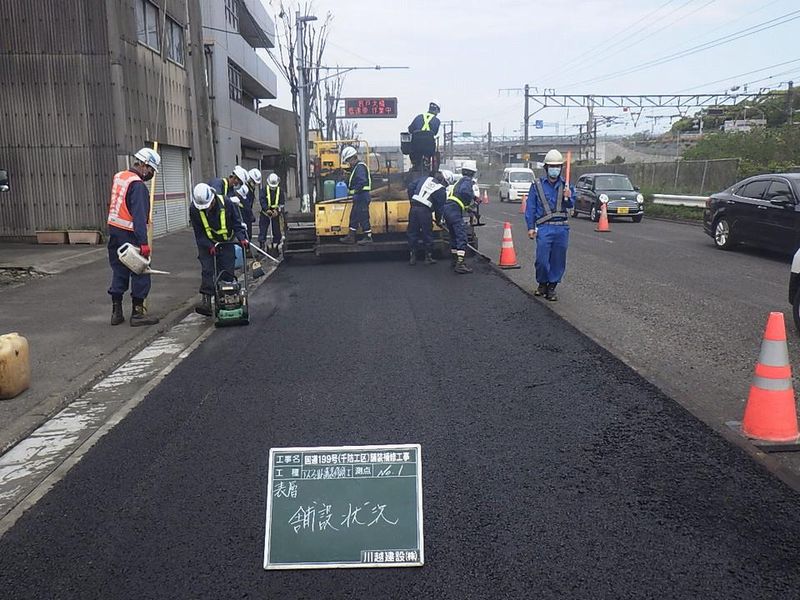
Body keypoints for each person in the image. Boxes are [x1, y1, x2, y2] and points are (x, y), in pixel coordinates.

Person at [106, 147, 161, 327]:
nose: (151, 174)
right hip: (130, 234)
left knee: (119, 270)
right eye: (151, 170)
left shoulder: (120, 177)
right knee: (141, 270)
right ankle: (137, 313)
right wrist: (143, 243)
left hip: (114, 231)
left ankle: (116, 312)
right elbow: (138, 216)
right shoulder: (138, 186)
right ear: (145, 165)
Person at [189, 183, 248, 317]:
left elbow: (236, 223)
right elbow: (198, 233)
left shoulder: (226, 203)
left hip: (226, 241)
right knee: (207, 270)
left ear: (213, 198)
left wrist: (241, 238)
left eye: (208, 205)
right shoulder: (194, 209)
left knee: (227, 271)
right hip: (207, 244)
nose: (207, 209)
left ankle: (227, 301)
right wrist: (209, 245)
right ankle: (207, 302)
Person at [524, 149, 575, 302]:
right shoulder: (537, 185)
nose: (555, 169)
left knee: (558, 259)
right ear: (546, 168)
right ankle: (542, 282)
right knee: (542, 259)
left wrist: (568, 198)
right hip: (544, 227)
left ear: (561, 168)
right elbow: (530, 207)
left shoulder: (566, 186)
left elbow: (571, 206)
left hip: (561, 228)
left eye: (558, 166)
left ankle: (552, 286)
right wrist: (530, 227)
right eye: (552, 166)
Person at [442, 161, 479, 274]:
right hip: (454, 210)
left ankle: (454, 260)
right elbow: (464, 193)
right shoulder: (467, 181)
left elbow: (459, 197)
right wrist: (473, 198)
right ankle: (460, 264)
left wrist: (468, 207)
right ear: (472, 173)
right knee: (461, 236)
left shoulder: (459, 181)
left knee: (453, 236)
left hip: (447, 209)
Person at [406, 171, 446, 265]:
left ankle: (412, 256)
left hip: (414, 208)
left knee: (412, 232)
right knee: (427, 233)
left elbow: (411, 186)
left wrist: (412, 199)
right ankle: (428, 257)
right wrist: (438, 220)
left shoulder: (424, 179)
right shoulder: (440, 189)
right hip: (425, 211)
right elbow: (439, 207)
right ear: (442, 180)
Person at [338, 146, 373, 245]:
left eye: (349, 160)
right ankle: (351, 236)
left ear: (353, 157)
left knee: (363, 216)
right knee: (354, 216)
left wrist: (355, 191)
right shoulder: (357, 168)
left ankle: (368, 237)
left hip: (362, 196)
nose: (349, 163)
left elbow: (362, 181)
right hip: (359, 196)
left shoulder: (360, 167)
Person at [407, 101, 441, 170]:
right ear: (437, 111)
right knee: (432, 152)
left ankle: (415, 164)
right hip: (429, 148)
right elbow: (435, 133)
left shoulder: (418, 117)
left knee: (413, 152)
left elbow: (410, 129)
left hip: (415, 146)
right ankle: (427, 160)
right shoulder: (437, 120)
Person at [258, 173, 284, 254]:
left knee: (276, 230)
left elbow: (282, 203)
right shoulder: (264, 190)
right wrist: (266, 209)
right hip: (265, 213)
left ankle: (276, 245)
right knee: (263, 229)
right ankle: (262, 245)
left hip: (275, 214)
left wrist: (277, 211)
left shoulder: (280, 191)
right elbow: (262, 200)